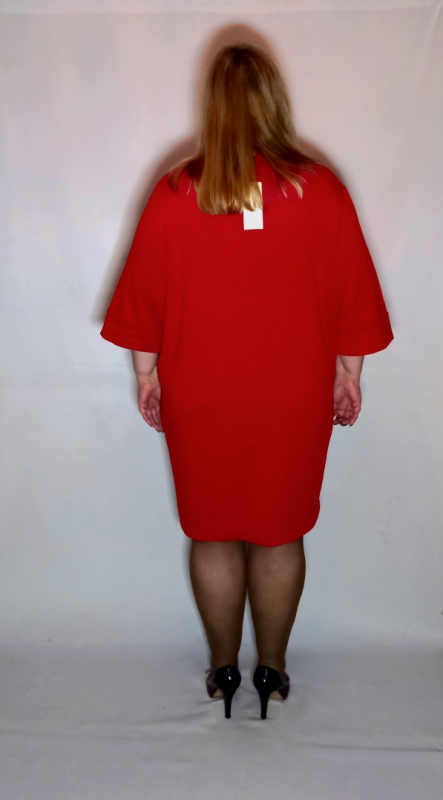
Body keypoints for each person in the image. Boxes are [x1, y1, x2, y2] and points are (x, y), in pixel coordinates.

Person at [100, 43, 394, 720]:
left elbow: (142, 302)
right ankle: (274, 671)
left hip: (201, 394)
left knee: (212, 533)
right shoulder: (320, 190)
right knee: (279, 533)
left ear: (211, 106)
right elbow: (353, 295)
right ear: (275, 101)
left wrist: (147, 376)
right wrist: (349, 374)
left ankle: (223, 669)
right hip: (292, 396)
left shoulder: (176, 192)